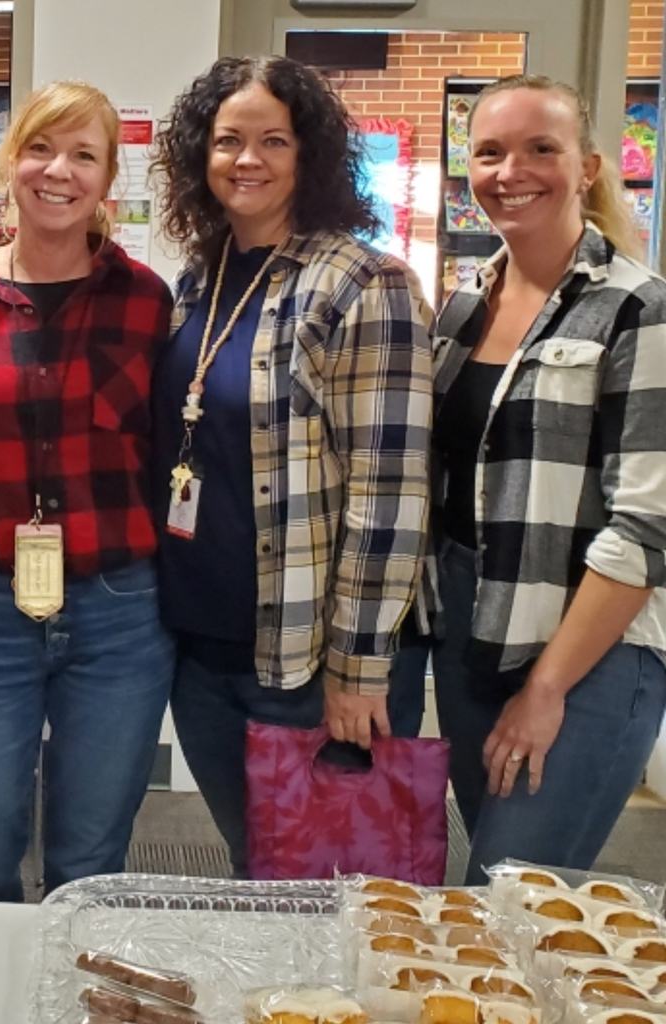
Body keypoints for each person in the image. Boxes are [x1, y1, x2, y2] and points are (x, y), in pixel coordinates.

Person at [149, 56, 433, 876]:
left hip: (306, 665)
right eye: (228, 139)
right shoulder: (199, 279)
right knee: (256, 868)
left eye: (274, 140)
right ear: (199, 156)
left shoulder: (362, 284)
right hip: (199, 654)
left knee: (325, 886)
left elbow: (390, 494)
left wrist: (359, 670)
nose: (248, 159)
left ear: (309, 154)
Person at [0, 81, 174, 899]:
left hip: (118, 615)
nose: (57, 170)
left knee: (90, 864)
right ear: (8, 163)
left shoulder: (146, 303)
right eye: (39, 148)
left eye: (83, 155)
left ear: (107, 182)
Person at [418, 74, 666, 883]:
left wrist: (549, 686)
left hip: (587, 650)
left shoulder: (639, 308)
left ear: (588, 166)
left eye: (540, 149)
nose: (510, 171)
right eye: (489, 152)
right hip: (473, 632)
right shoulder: (464, 305)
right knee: (494, 882)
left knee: (510, 894)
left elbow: (646, 529)